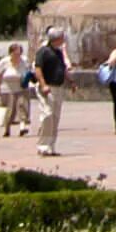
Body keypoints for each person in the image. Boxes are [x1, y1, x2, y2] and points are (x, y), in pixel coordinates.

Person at [33, 25, 70, 156]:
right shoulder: (43, 51)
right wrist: (43, 85)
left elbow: (63, 68)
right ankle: (43, 145)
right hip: (47, 88)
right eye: (61, 38)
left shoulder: (59, 52)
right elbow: (38, 69)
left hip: (59, 88)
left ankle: (51, 146)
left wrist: (70, 82)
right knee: (47, 115)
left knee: (55, 117)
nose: (63, 40)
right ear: (56, 38)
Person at [0, 41, 31, 138]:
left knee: (22, 107)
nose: (17, 56)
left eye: (19, 53)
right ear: (10, 53)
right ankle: (7, 129)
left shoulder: (24, 61)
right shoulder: (4, 62)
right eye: (15, 53)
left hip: (22, 88)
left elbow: (29, 71)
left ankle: (22, 127)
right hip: (7, 89)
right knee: (10, 111)